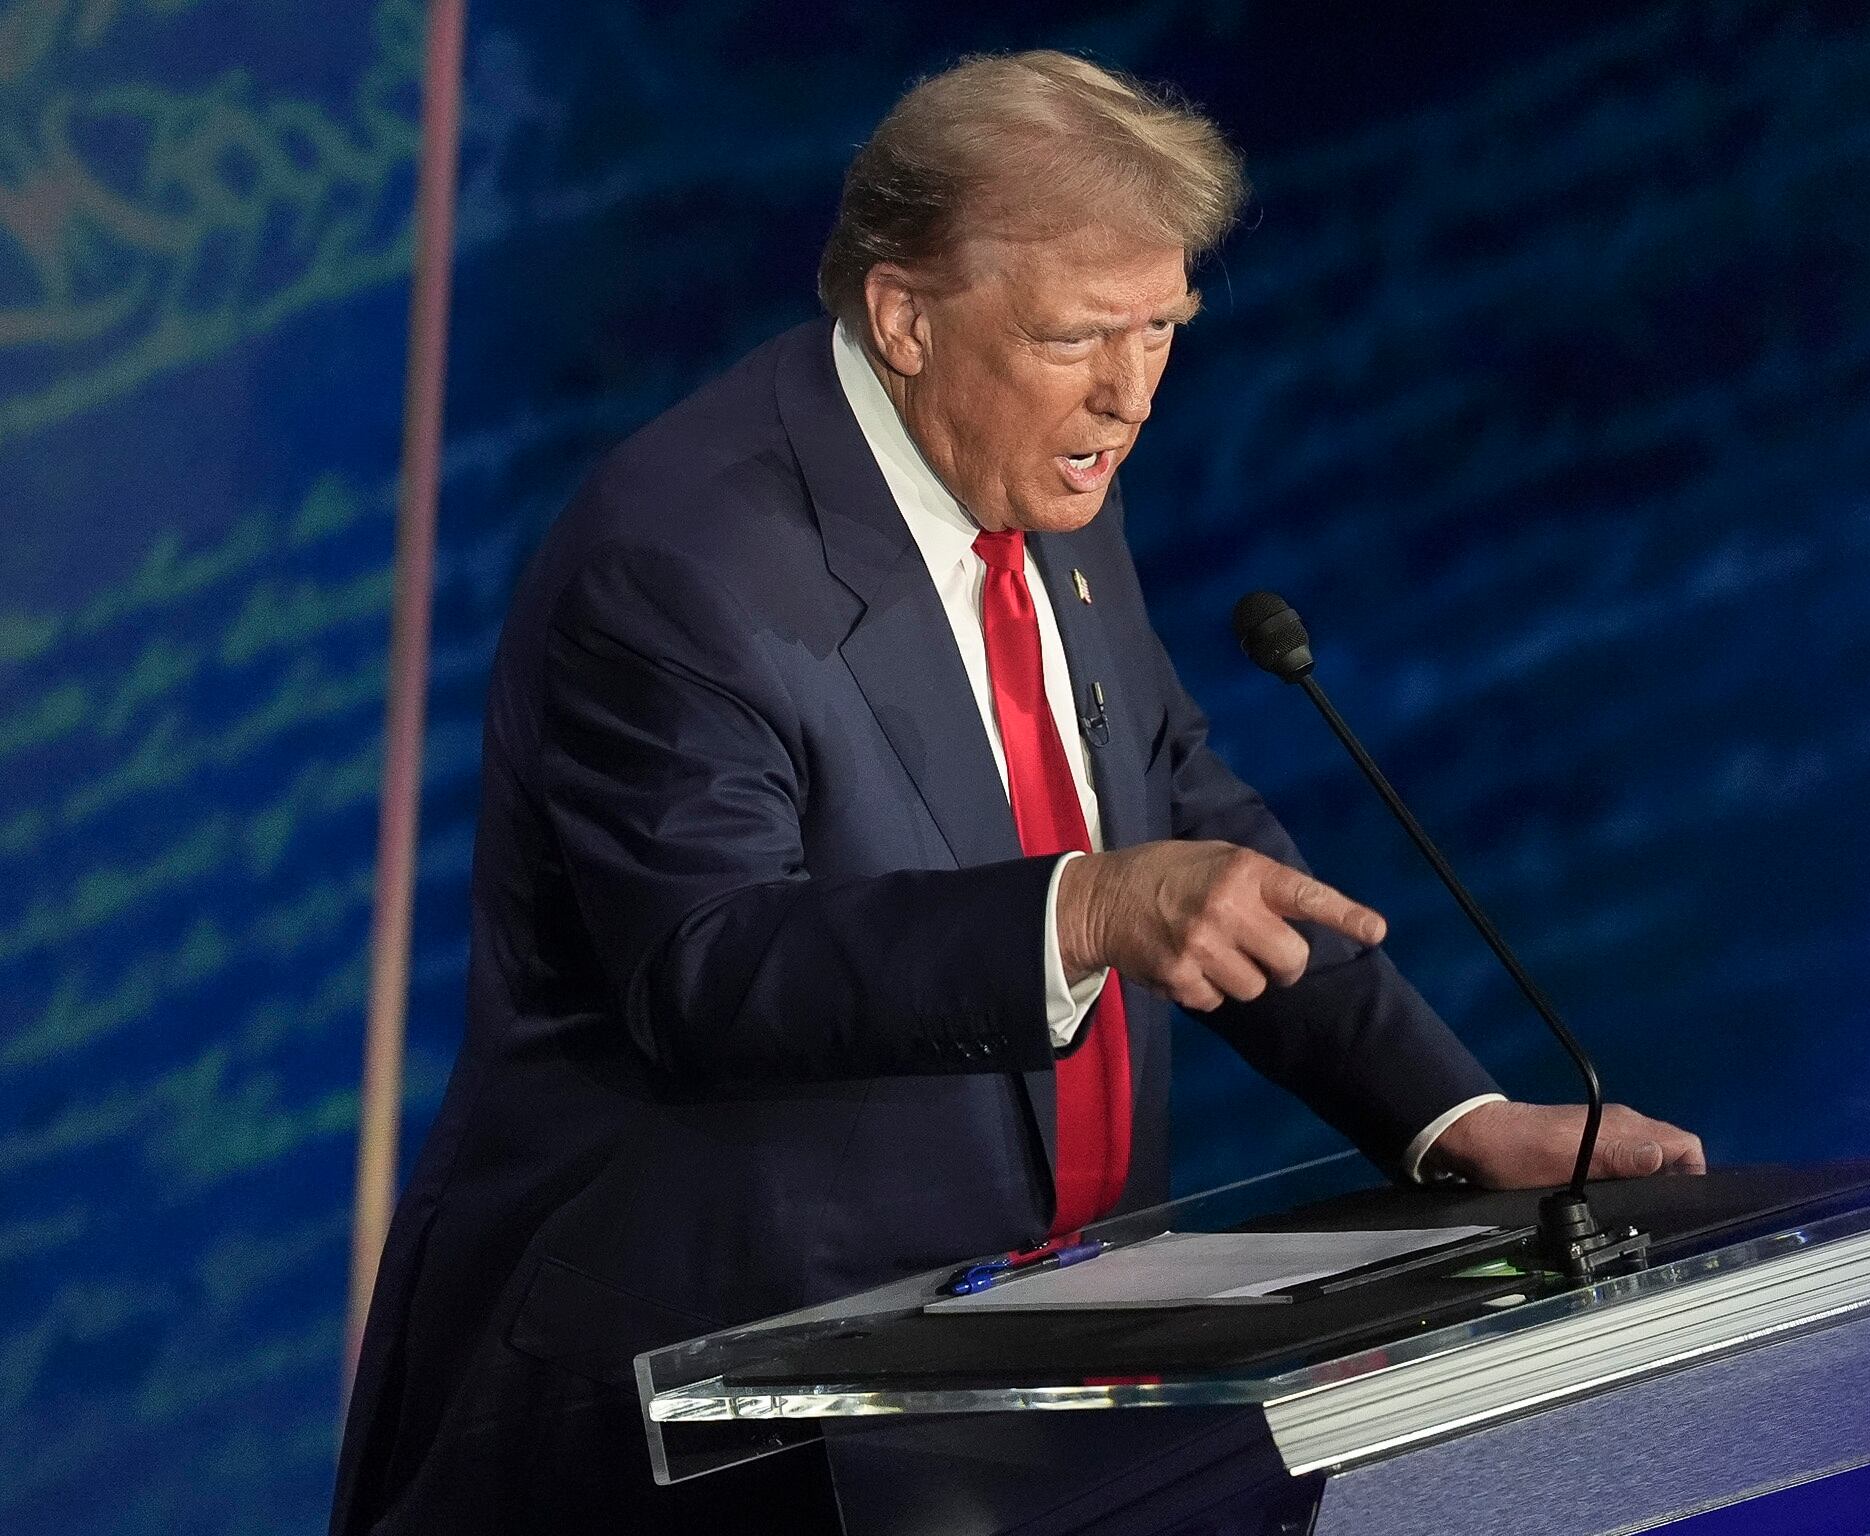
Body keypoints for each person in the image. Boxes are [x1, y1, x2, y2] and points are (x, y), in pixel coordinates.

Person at [331, 50, 1703, 1536]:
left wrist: (1449, 1116)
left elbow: (1176, 820)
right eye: (1075, 337)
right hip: (707, 1424)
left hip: (1026, 1398)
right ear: (904, 316)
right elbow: (708, 965)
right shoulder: (678, 564)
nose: (1127, 395)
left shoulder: (1033, 468)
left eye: (1161, 331)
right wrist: (1087, 910)